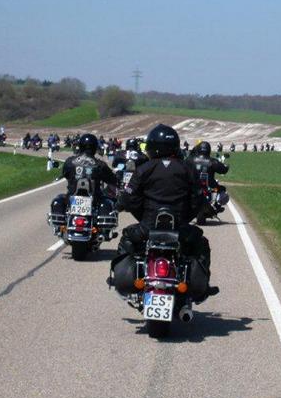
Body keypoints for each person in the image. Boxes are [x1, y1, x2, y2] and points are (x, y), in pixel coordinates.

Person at [116, 124, 218, 300]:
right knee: (200, 244)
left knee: (127, 237)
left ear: (152, 145)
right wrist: (186, 218)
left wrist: (142, 216)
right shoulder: (187, 169)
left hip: (147, 227)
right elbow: (198, 200)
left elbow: (128, 199)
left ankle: (121, 280)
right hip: (180, 229)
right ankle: (203, 287)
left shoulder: (144, 169)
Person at [50, 134, 118, 223]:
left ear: (80, 146)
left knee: (59, 199)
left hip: (71, 197)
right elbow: (112, 179)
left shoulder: (70, 161)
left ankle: (62, 225)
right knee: (108, 203)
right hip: (95, 199)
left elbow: (65, 174)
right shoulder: (100, 165)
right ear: (95, 147)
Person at [185, 141, 229, 213]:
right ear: (209, 150)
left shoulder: (190, 160)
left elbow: (183, 169)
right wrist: (226, 167)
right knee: (222, 189)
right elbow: (223, 170)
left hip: (193, 185)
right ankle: (217, 206)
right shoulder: (213, 161)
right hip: (210, 185)